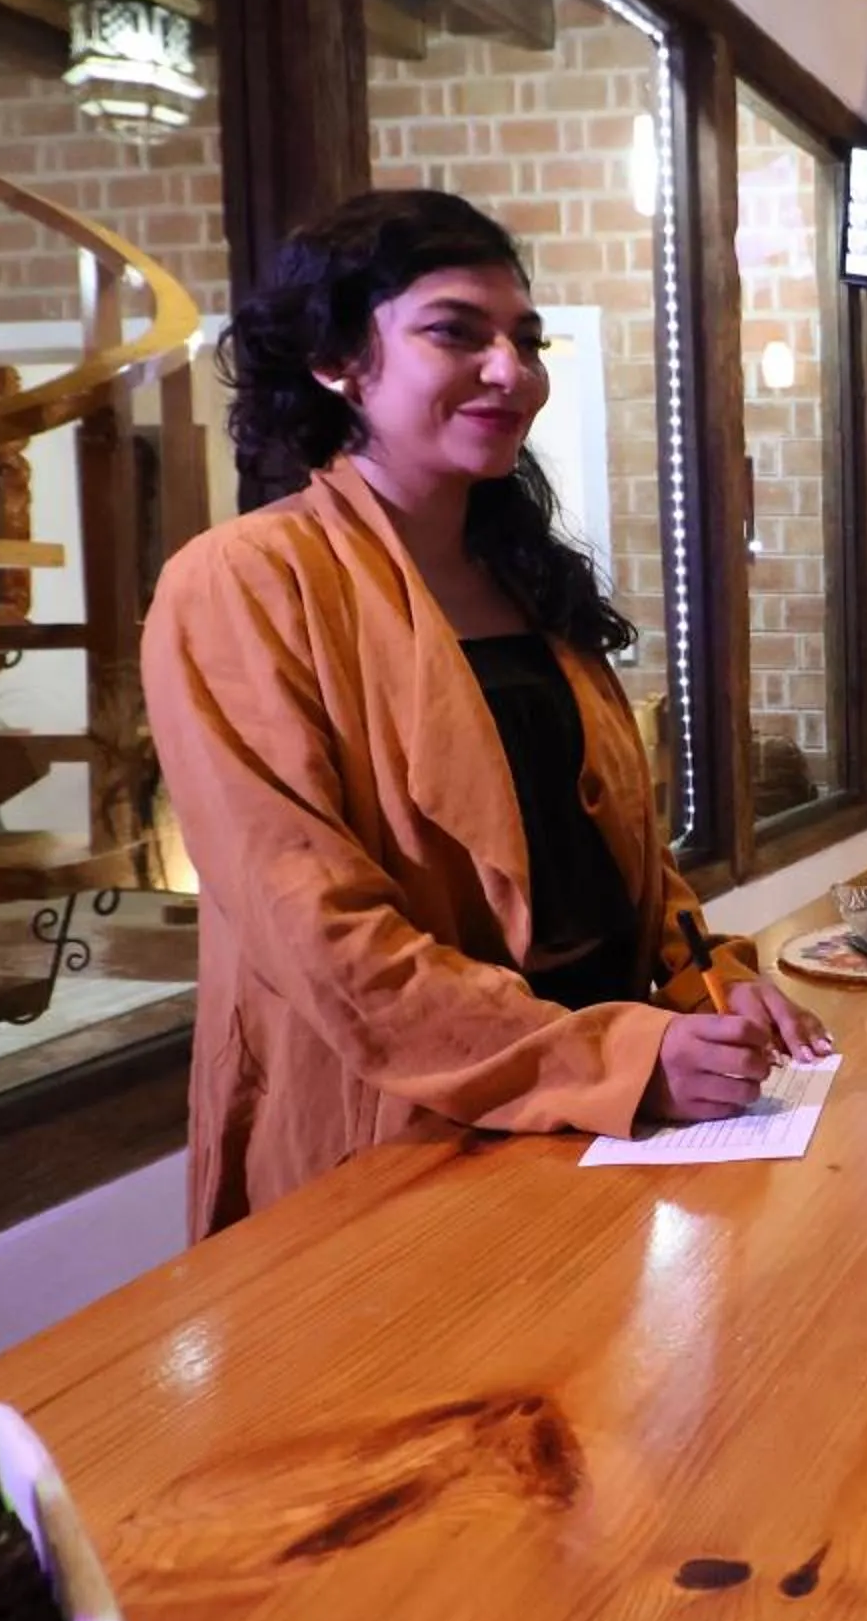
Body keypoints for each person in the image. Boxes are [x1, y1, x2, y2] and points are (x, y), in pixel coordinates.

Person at [145, 189, 825, 1239]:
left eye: (526, 339)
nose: (512, 371)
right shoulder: (243, 582)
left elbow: (614, 847)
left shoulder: (524, 577)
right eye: (456, 332)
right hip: (402, 1146)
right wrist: (614, 1058)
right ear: (338, 360)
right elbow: (321, 933)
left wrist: (707, 979)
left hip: (600, 1135)